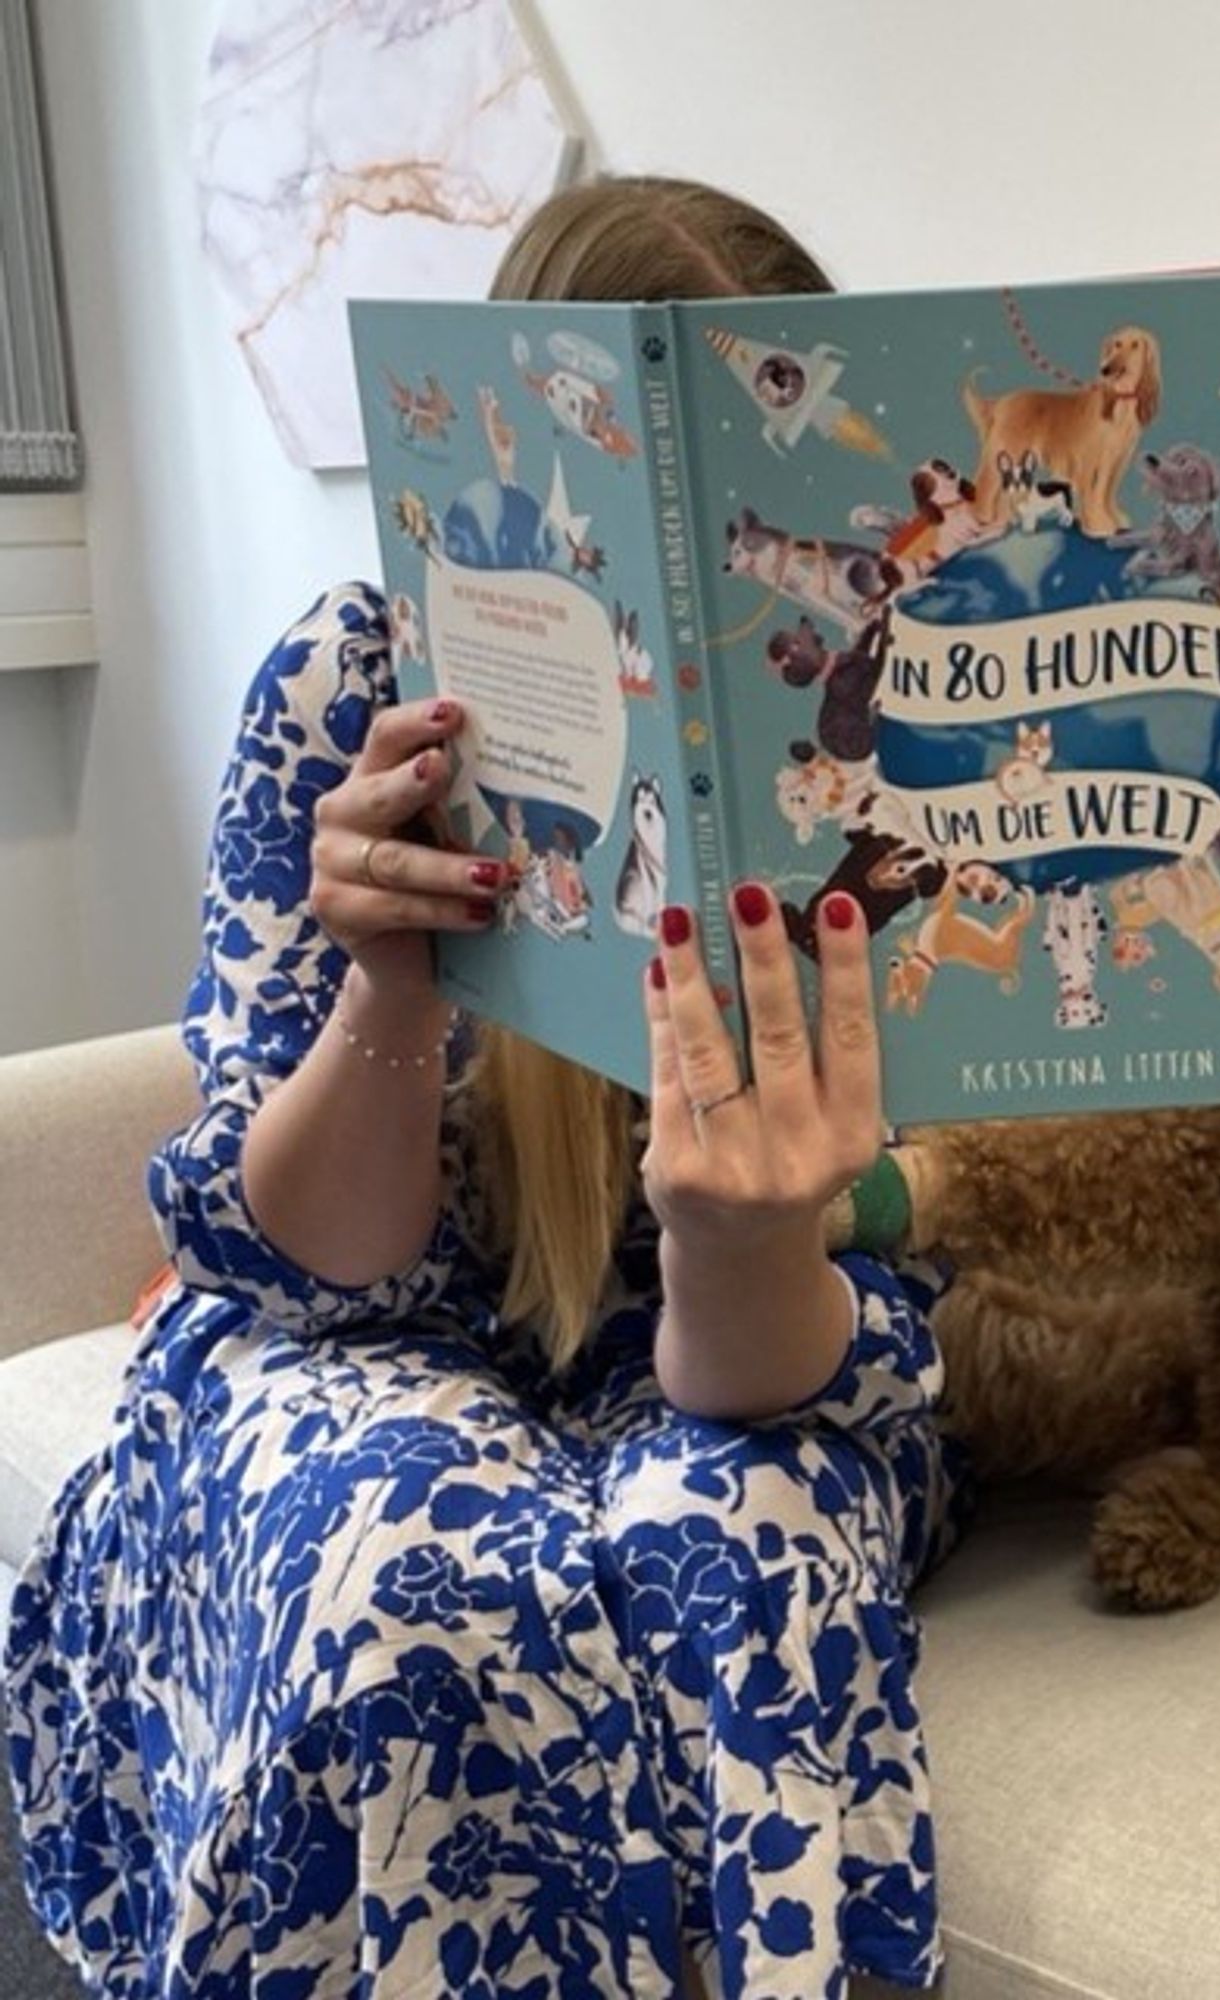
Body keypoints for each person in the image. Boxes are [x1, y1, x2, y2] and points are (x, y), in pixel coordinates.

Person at [4, 178, 965, 1999]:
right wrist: (391, 980)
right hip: (362, 1327)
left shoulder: (884, 745)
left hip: (737, 1355)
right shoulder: (356, 682)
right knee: (413, 1564)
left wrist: (731, 1235)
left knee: (738, 1550)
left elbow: (769, 1373)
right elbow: (322, 1269)